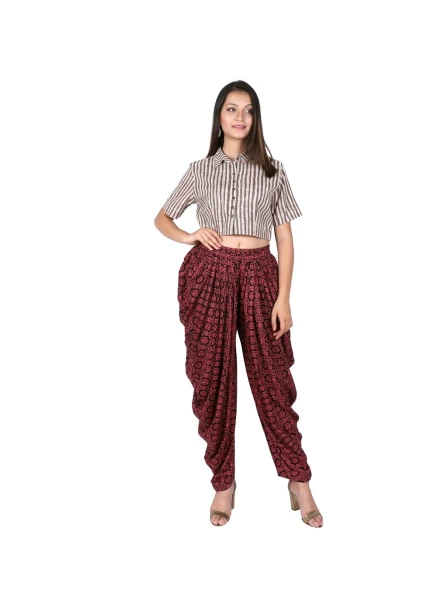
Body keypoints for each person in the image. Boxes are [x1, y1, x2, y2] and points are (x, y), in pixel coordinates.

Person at [154, 80, 323, 528]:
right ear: (219, 117)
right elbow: (162, 217)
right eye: (231, 109)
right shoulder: (199, 170)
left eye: (248, 110)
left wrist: (284, 298)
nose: (240, 117)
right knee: (212, 379)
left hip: (260, 276)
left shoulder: (273, 170)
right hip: (209, 274)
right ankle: (223, 484)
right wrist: (189, 235)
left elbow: (285, 239)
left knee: (273, 379)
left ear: (255, 118)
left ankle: (299, 480)